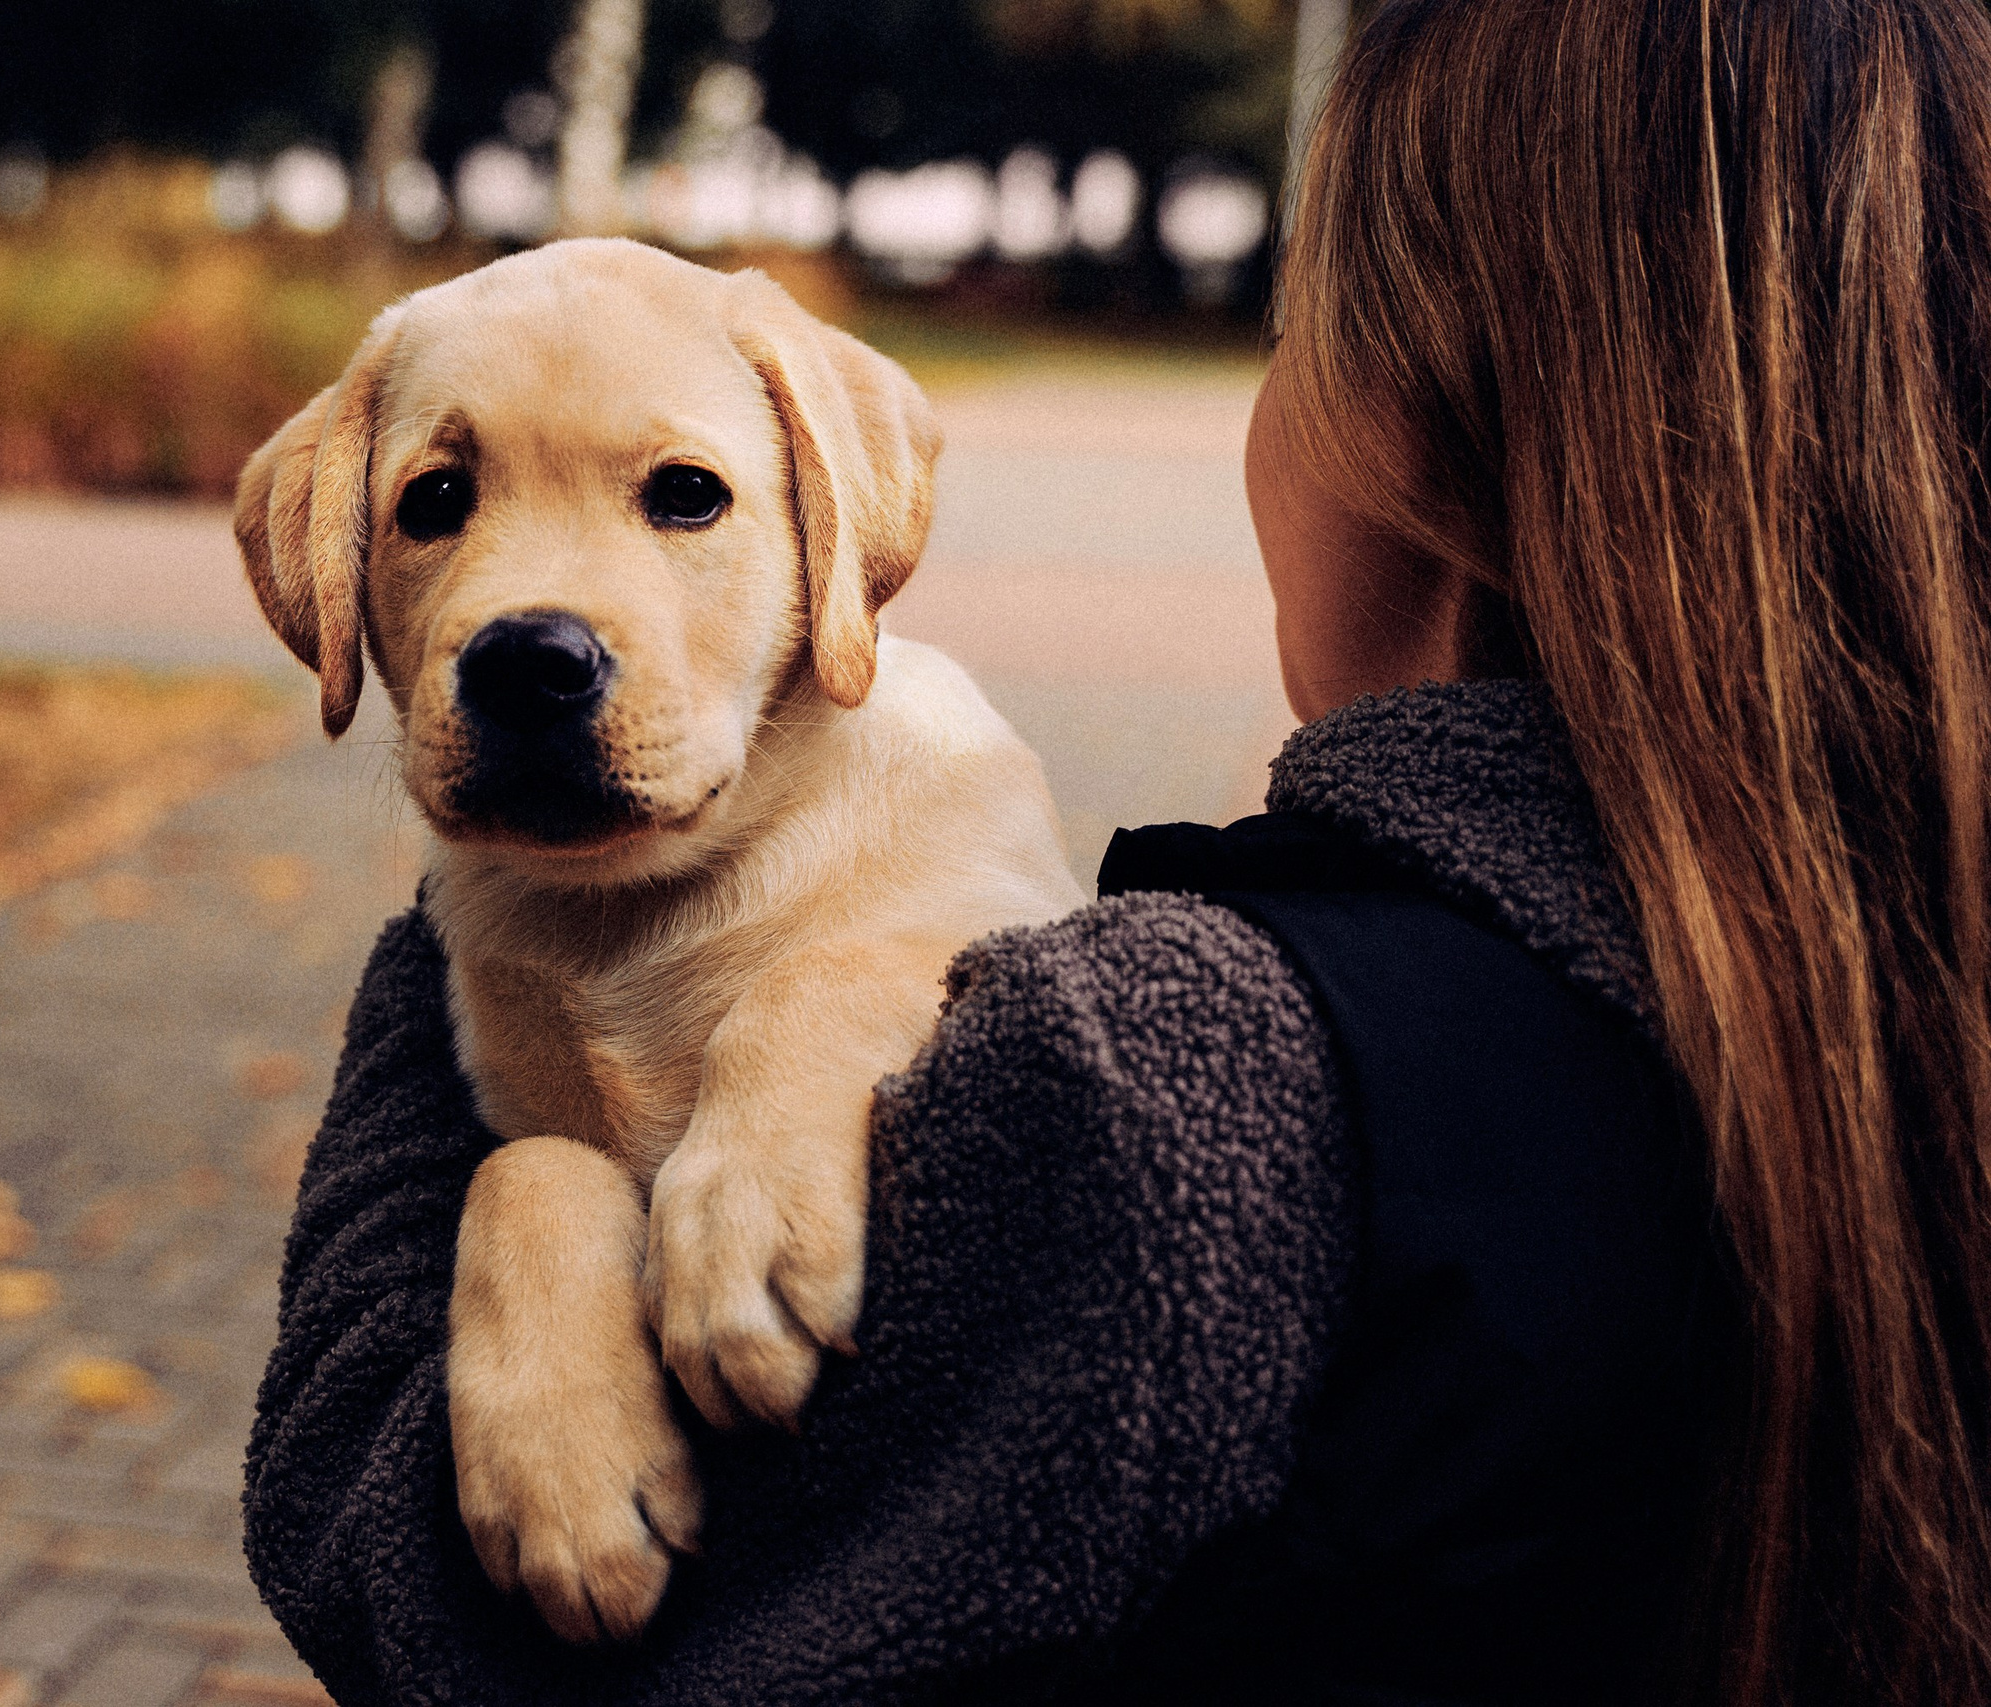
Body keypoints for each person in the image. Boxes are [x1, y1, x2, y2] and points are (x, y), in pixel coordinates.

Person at [241, 1, 1991, 1701]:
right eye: (440, 502)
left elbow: (414, 1595)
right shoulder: (1884, 983)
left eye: (1290, 325)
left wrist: (472, 1028)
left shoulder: (1176, 1084)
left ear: (1411, 416)